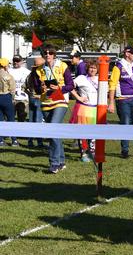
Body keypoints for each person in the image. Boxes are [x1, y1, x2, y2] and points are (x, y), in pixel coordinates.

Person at [34, 45, 74, 173]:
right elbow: (37, 89)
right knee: (55, 133)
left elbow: (70, 85)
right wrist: (41, 89)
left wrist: (59, 89)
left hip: (60, 102)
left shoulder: (62, 66)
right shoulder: (39, 70)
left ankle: (54, 163)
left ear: (54, 54)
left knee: (52, 130)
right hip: (45, 102)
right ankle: (61, 161)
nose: (48, 55)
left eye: (50, 52)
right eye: (45, 53)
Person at [108, 45, 133, 159]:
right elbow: (112, 85)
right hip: (123, 100)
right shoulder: (118, 66)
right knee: (125, 125)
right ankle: (124, 150)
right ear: (127, 53)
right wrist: (111, 102)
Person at [69, 59, 99, 162]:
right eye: (91, 67)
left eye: (94, 68)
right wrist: (78, 97)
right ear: (87, 68)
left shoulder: (100, 79)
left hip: (96, 109)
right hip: (84, 109)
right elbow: (70, 86)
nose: (92, 70)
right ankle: (83, 153)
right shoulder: (81, 78)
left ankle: (92, 152)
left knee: (94, 132)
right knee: (82, 133)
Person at [25, 57, 45, 148]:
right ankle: (39, 143)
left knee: (31, 121)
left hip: (31, 98)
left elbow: (24, 87)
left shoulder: (30, 74)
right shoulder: (41, 74)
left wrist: (30, 94)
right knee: (38, 122)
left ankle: (30, 141)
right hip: (39, 98)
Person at [9, 55, 31, 128]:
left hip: (23, 98)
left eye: (17, 61)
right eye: (14, 60)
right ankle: (9, 132)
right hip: (11, 97)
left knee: (21, 115)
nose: (15, 62)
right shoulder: (8, 70)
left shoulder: (27, 72)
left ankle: (21, 133)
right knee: (10, 116)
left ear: (21, 62)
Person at [0, 58, 17, 146]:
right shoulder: (8, 76)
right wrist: (13, 99)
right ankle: (14, 140)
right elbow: (12, 89)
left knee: (0, 120)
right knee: (11, 119)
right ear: (5, 66)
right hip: (6, 97)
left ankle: (0, 140)